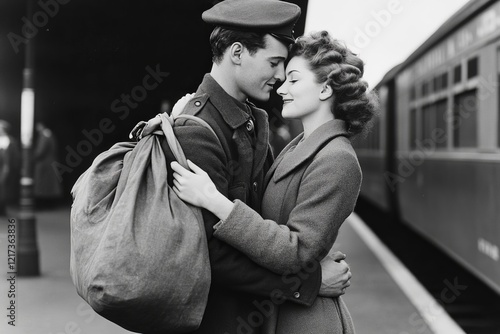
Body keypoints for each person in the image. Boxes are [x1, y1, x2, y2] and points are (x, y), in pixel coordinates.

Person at [131, 2, 352, 333]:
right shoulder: (196, 130)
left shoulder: (252, 122)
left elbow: (261, 225)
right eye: (275, 63)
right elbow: (205, 253)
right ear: (237, 52)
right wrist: (308, 282)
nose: (279, 78)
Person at [170, 30, 379, 333]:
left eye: (294, 79)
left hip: (306, 320)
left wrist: (216, 201)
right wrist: (181, 118)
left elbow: (297, 251)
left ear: (325, 90)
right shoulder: (298, 146)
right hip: (281, 312)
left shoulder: (338, 159)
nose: (282, 87)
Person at [34, 123, 63, 208]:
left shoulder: (44, 136)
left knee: (43, 186)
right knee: (49, 186)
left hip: (44, 164)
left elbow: (40, 151)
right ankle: (49, 204)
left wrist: (33, 156)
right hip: (50, 162)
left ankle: (43, 205)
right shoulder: (49, 135)